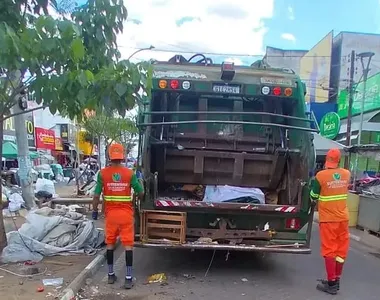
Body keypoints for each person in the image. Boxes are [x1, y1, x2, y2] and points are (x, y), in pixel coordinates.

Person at [92, 143, 144, 289]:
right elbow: (140, 192)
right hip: (126, 215)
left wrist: (95, 211)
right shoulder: (129, 174)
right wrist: (138, 193)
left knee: (110, 243)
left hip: (111, 215)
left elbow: (96, 195)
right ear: (123, 156)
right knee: (128, 245)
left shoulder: (102, 174)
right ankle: (128, 278)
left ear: (109, 156)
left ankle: (110, 275)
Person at [310, 148, 350, 295]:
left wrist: (312, 196)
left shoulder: (321, 176)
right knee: (340, 251)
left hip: (328, 220)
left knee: (329, 250)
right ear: (338, 160)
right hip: (343, 219)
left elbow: (313, 195)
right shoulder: (346, 174)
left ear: (327, 160)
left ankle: (331, 283)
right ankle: (336, 279)